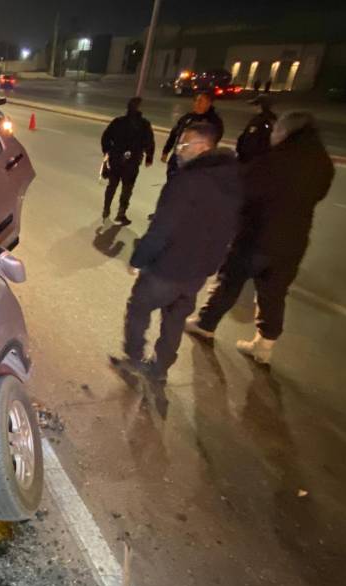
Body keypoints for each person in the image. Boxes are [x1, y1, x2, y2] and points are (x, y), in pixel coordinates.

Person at [184, 112, 335, 365]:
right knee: (274, 293)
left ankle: (206, 324)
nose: (273, 135)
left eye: (276, 131)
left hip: (257, 236)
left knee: (230, 280)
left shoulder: (275, 161)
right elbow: (317, 195)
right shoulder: (323, 164)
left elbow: (243, 188)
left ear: (287, 132)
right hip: (293, 241)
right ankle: (265, 345)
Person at [112, 123, 243, 382]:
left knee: (139, 307)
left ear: (203, 147)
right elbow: (230, 229)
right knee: (174, 321)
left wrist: (138, 259)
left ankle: (134, 359)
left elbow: (161, 229)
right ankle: (160, 369)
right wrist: (211, 266)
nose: (179, 152)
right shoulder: (233, 180)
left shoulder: (186, 182)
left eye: (183, 146)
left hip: (167, 269)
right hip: (196, 274)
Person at [100, 96, 155, 225]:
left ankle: (106, 209)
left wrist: (107, 151)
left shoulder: (118, 122)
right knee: (127, 189)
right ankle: (121, 212)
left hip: (116, 159)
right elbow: (149, 142)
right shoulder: (144, 124)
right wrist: (149, 156)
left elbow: (105, 137)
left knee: (112, 185)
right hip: (132, 162)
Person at [161, 93, 224, 178]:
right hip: (177, 158)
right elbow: (175, 133)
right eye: (196, 101)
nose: (196, 104)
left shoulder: (213, 122)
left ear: (208, 103)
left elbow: (213, 140)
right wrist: (166, 150)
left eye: (200, 101)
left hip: (196, 161)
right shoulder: (188, 117)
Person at [236, 95, 277, 163]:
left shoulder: (259, 120)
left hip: (251, 159)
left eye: (255, 105)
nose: (253, 107)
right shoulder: (272, 119)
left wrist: (243, 155)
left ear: (260, 106)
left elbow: (250, 140)